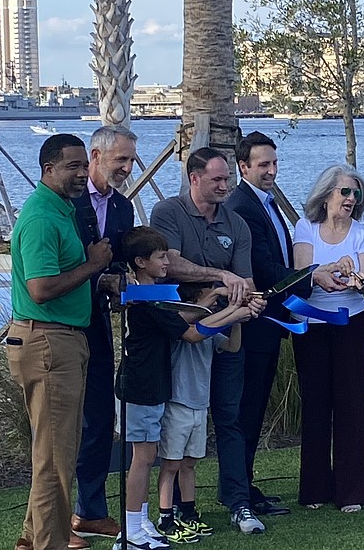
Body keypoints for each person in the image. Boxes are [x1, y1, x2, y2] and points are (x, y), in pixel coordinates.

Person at [224, 132, 347, 517]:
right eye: (263, 165)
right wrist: (313, 276)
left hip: (271, 321)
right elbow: (264, 268)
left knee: (255, 407)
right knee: (246, 409)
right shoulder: (243, 205)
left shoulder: (267, 202)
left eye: (274, 164)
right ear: (243, 166)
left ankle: (245, 485)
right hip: (255, 322)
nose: (271, 171)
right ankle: (239, 493)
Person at [116, 226, 261, 549]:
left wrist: (221, 301)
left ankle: (142, 523)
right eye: (160, 257)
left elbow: (186, 316)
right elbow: (191, 332)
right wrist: (234, 312)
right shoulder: (144, 300)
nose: (168, 262)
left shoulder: (155, 294)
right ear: (140, 262)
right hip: (139, 387)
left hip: (154, 386)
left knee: (148, 455)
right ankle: (131, 530)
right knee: (142, 459)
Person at [150, 147, 265, 535]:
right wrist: (221, 276)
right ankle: (173, 509)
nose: (225, 185)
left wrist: (242, 296)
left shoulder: (237, 223)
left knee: (229, 417)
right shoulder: (169, 212)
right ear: (194, 177)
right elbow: (170, 265)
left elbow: (246, 282)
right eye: (216, 179)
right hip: (181, 337)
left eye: (227, 178)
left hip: (227, 332)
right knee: (179, 421)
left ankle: (239, 501)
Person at [6, 134, 113, 550]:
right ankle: (48, 543)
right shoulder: (40, 218)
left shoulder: (62, 209)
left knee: (53, 453)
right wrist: (93, 265)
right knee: (55, 461)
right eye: (72, 166)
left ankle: (32, 539)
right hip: (48, 341)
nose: (82, 173)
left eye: (84, 165)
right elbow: (41, 288)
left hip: (64, 339)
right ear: (48, 169)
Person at [292, 164, 364, 513]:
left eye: (355, 194)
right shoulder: (305, 228)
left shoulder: (363, 233)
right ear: (326, 195)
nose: (351, 199)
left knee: (351, 404)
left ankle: (351, 491)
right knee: (315, 403)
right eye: (345, 192)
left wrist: (349, 273)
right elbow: (303, 274)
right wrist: (326, 271)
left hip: (349, 323)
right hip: (309, 325)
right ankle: (313, 489)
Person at [70, 126, 137, 550]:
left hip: (98, 322)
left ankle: (88, 510)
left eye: (131, 161)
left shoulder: (124, 208)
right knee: (64, 421)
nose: (127, 168)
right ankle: (60, 518)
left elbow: (123, 260)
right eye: (120, 161)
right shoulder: (67, 203)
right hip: (60, 321)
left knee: (99, 414)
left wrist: (117, 279)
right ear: (96, 156)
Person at [154, 283, 250, 543]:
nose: (214, 305)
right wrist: (232, 311)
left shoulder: (210, 329)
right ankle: (165, 517)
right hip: (177, 404)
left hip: (199, 404)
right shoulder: (181, 327)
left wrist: (237, 319)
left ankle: (188, 513)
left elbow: (231, 347)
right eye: (209, 298)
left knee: (189, 463)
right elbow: (194, 331)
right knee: (171, 463)